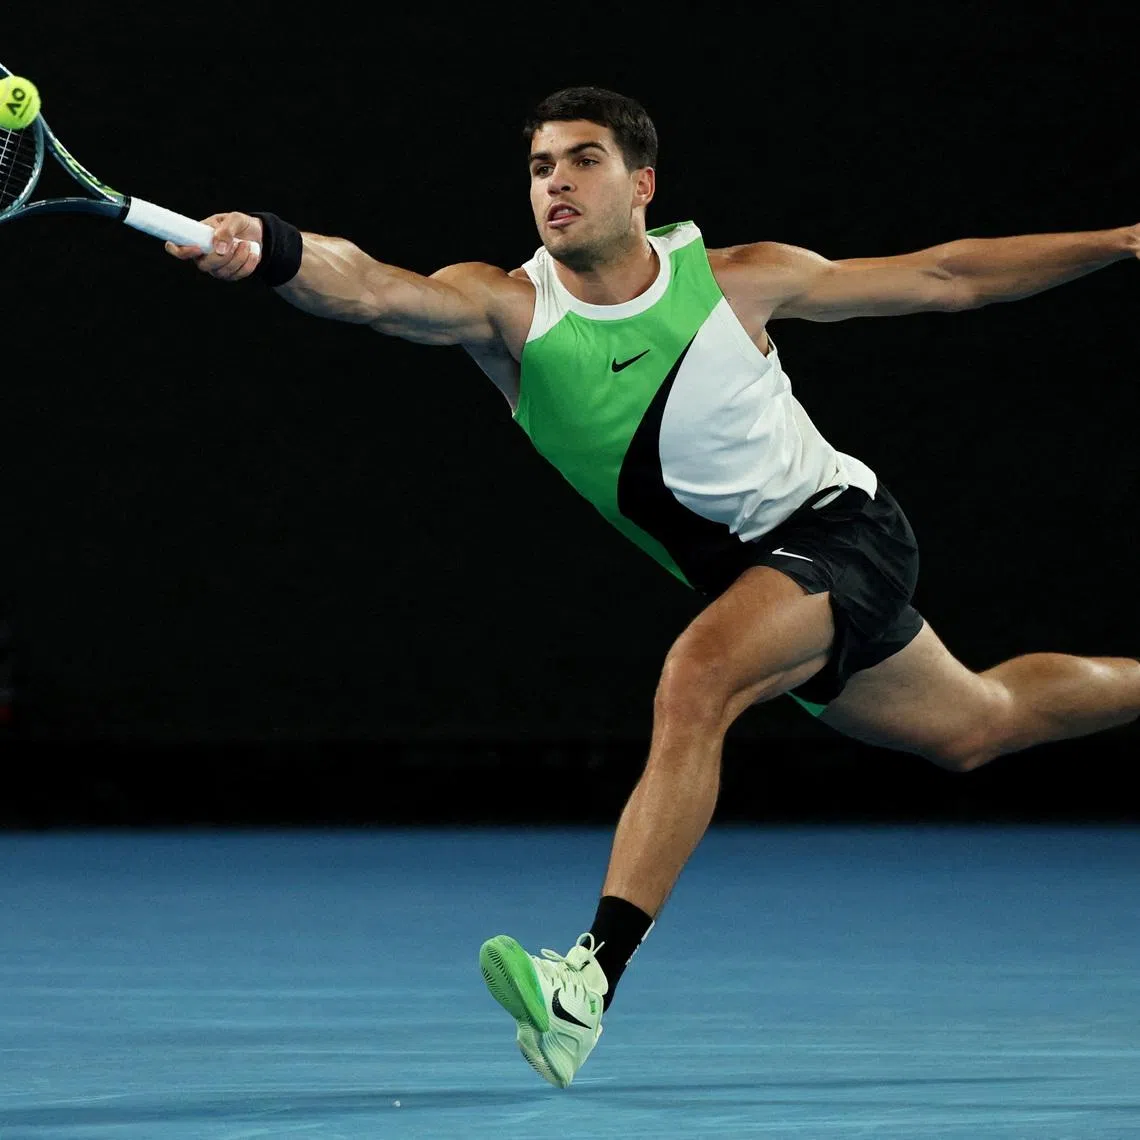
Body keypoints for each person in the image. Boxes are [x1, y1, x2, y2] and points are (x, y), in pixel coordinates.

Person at [167, 85, 1140, 1089]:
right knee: (978, 723)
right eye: (542, 166)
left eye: (582, 160)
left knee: (696, 680)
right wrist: (269, 248)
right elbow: (369, 286)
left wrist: (1121, 239)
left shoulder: (736, 280)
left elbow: (948, 276)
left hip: (842, 534)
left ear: (642, 185)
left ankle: (587, 982)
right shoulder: (506, 311)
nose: (557, 183)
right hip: (754, 581)